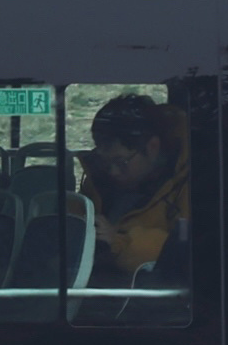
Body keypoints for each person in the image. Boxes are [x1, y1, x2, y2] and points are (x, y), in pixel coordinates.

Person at [80, 94, 192, 287]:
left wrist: (119, 242)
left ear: (152, 147)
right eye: (106, 163)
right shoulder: (98, 179)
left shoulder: (186, 184)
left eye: (121, 162)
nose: (113, 172)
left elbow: (185, 252)